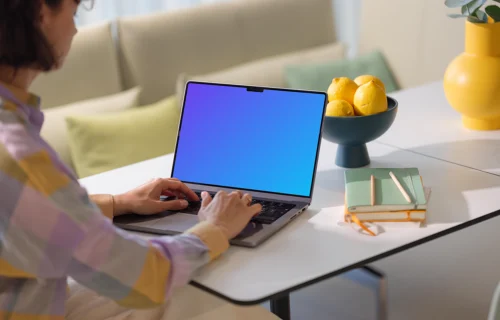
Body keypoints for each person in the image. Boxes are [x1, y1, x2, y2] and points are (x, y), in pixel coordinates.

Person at [0, 1, 277, 319]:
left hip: (33, 293)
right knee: (229, 306)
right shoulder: (18, 154)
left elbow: (25, 209)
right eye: (73, 12)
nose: (76, 29)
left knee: (206, 292)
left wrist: (117, 203)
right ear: (41, 12)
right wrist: (216, 227)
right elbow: (147, 277)